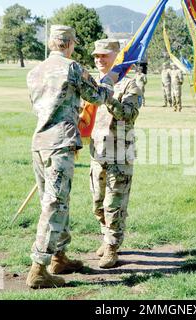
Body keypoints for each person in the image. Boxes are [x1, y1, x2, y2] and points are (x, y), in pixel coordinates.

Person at [25, 25, 114, 289]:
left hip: (39, 143)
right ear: (70, 44)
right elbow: (96, 96)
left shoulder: (34, 71)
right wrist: (109, 81)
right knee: (54, 205)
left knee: (53, 201)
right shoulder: (71, 67)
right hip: (59, 144)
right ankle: (39, 268)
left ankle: (59, 257)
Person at [89, 39, 142, 269]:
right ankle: (106, 235)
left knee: (114, 204)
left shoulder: (131, 84)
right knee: (98, 203)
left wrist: (107, 94)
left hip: (119, 153)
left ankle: (112, 246)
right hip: (97, 152)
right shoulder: (92, 82)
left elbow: (129, 114)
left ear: (116, 57)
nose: (99, 59)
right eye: (96, 56)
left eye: (104, 55)